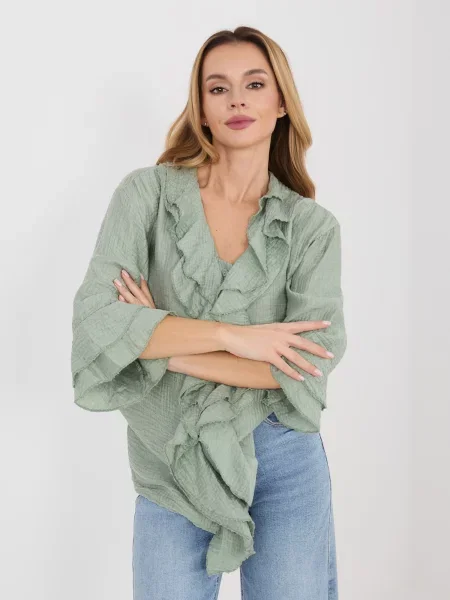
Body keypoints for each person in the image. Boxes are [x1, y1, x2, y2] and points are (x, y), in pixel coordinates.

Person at [71, 25, 347, 600]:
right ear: (200, 107)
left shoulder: (311, 229)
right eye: (218, 88)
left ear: (281, 102)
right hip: (173, 458)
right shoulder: (145, 196)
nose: (237, 100)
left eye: (254, 84)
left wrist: (158, 345)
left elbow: (304, 367)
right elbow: (98, 323)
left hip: (283, 456)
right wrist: (235, 337)